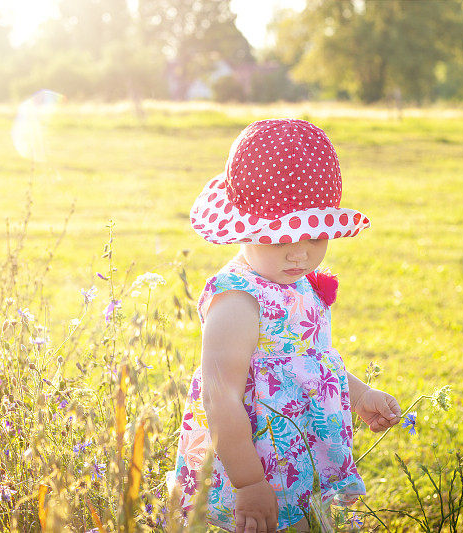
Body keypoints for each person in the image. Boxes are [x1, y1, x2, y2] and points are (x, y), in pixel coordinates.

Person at [168, 118, 401, 533]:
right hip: (254, 467)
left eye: (314, 237)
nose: (299, 255)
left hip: (302, 457)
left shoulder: (300, 283)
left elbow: (309, 363)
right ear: (245, 227)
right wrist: (249, 483)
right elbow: (220, 399)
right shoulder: (238, 299)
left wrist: (361, 394)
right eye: (280, 240)